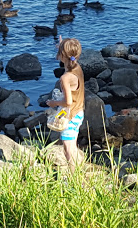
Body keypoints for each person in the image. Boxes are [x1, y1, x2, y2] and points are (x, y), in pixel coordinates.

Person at [46, 37, 85, 173]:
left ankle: (74, 178)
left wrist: (53, 103)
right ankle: (77, 171)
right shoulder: (77, 67)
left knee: (68, 148)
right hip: (79, 112)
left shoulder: (65, 78)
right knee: (72, 144)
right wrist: (62, 46)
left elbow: (68, 102)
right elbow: (70, 60)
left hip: (71, 116)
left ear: (63, 55)